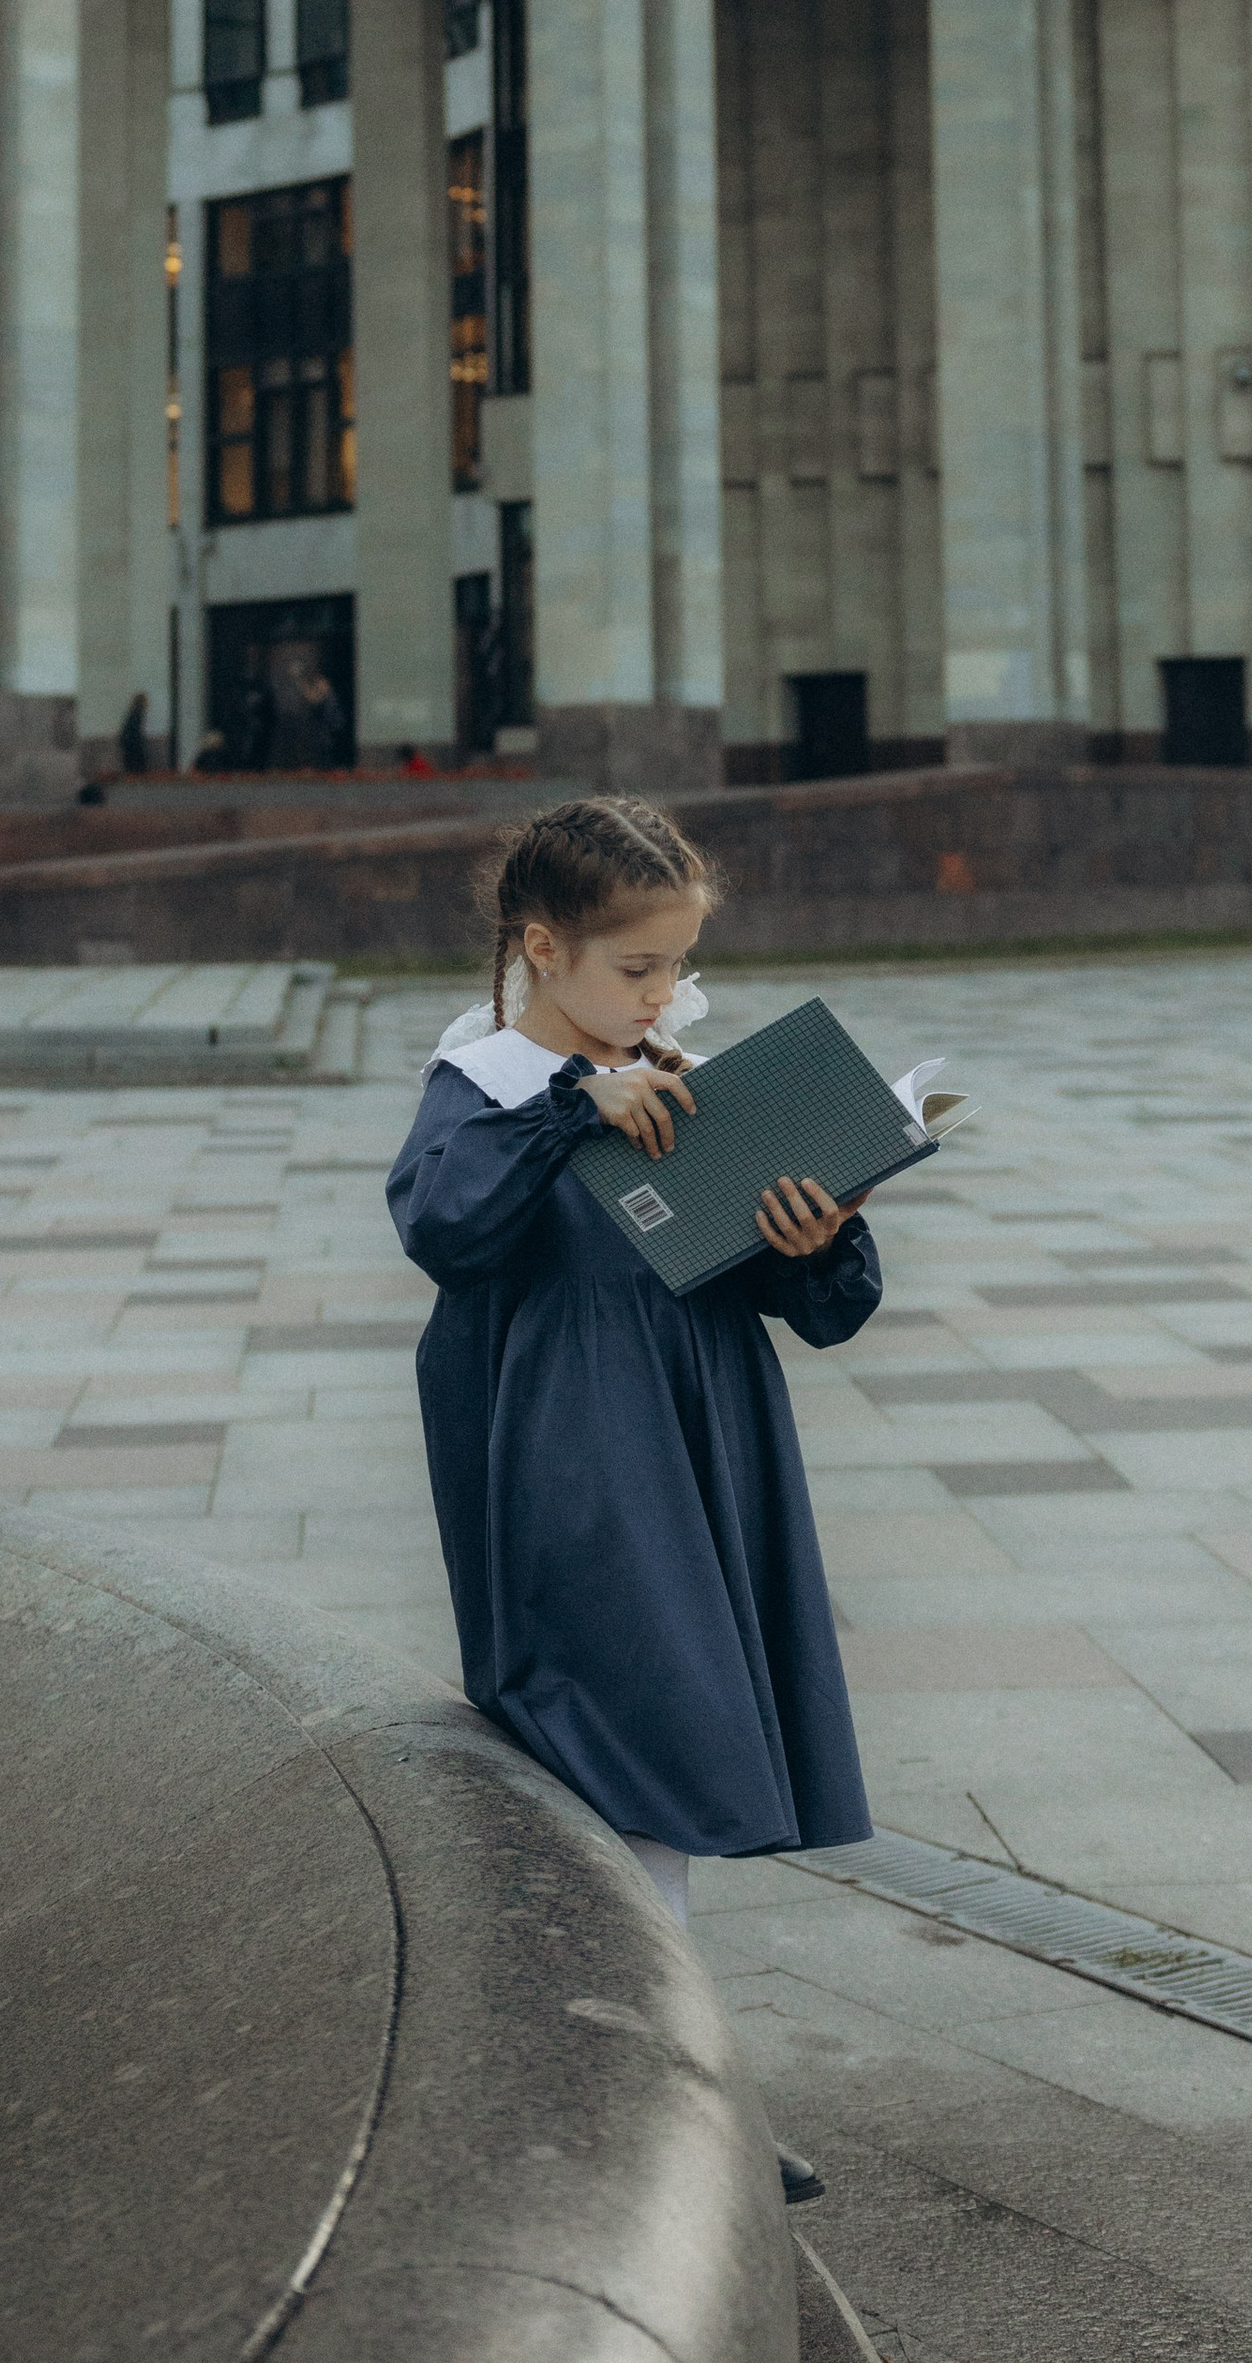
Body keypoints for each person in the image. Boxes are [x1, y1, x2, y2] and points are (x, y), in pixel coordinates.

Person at [386, 795, 880, 1957]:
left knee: (674, 1719)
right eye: (638, 966)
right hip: (572, 1444)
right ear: (544, 951)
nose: (662, 995)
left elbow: (819, 1307)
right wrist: (569, 1108)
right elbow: (443, 1229)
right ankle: (631, 2062)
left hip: (703, 1432)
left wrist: (812, 1240)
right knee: (618, 1710)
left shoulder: (685, 1076)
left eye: (679, 965)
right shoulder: (488, 1085)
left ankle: (647, 2063)